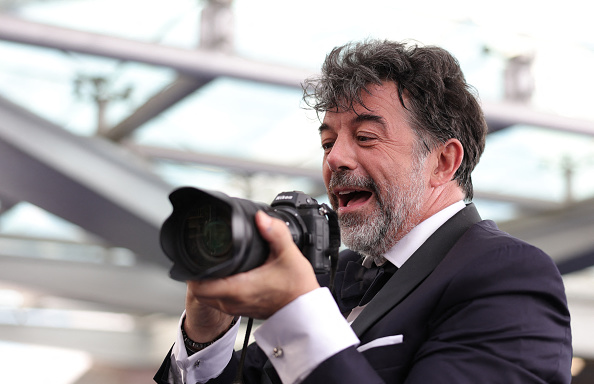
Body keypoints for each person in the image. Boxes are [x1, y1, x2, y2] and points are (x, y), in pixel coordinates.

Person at [154, 39, 572, 384]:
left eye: (367, 137)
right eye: (326, 142)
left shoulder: (508, 273)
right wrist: (205, 332)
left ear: (443, 162)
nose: (334, 159)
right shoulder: (334, 275)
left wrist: (297, 310)